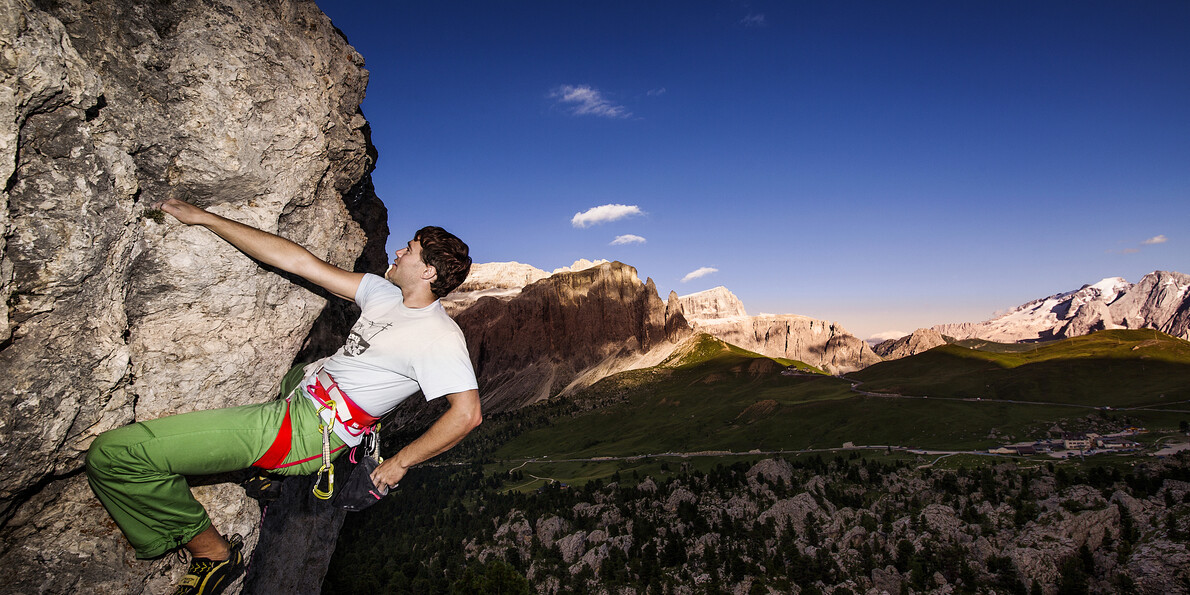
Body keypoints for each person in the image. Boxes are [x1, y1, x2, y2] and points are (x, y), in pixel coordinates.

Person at [85, 198, 482, 595]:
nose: (398, 250)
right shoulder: (382, 292)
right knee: (301, 366)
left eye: (409, 250)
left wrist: (399, 463)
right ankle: (264, 474)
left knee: (116, 455)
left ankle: (214, 555)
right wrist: (205, 218)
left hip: (303, 431)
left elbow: (466, 415)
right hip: (304, 392)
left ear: (428, 271)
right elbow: (299, 262)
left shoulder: (440, 338)